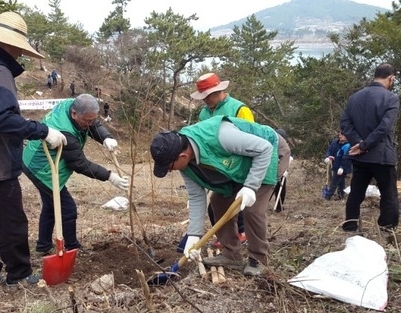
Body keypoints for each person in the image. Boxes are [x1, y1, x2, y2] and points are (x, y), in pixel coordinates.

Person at [0, 11, 67, 292]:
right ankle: (18, 273)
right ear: (10, 44)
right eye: (20, 47)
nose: (21, 53)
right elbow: (2, 118)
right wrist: (42, 131)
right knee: (11, 220)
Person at [151, 115, 285, 276]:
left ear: (182, 156)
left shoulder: (222, 136)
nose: (170, 170)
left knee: (252, 209)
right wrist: (194, 235)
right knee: (218, 201)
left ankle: (259, 258)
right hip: (240, 165)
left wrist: (250, 187)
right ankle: (231, 254)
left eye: (169, 167)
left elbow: (264, 148)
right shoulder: (185, 165)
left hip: (271, 152)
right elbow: (196, 196)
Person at [22, 94, 129, 255]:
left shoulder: (73, 105)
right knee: (68, 208)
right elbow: (80, 164)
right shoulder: (65, 132)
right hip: (40, 167)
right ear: (74, 114)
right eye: (86, 120)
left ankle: (43, 246)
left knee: (51, 205)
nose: (90, 123)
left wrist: (106, 137)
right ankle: (72, 247)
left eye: (92, 119)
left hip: (33, 160)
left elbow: (92, 123)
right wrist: (110, 176)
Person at [190, 72, 255, 238]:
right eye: (203, 97)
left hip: (239, 164)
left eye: (208, 96)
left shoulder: (239, 109)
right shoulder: (204, 114)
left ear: (218, 91)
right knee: (216, 204)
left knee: (236, 202)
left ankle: (241, 233)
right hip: (218, 165)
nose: (205, 100)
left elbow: (252, 139)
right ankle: (225, 237)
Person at [340, 63, 399, 233]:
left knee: (356, 192)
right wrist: (364, 144)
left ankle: (351, 224)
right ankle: (387, 229)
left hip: (361, 157)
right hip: (381, 155)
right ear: (391, 78)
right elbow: (385, 127)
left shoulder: (355, 97)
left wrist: (358, 143)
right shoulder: (391, 98)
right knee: (388, 194)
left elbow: (345, 123)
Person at [323, 131, 352, 200]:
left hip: (343, 167)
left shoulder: (349, 145)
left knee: (334, 182)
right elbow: (330, 150)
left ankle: (327, 197)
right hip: (335, 165)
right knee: (341, 182)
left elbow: (347, 157)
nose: (340, 135)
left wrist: (342, 167)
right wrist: (328, 156)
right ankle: (341, 196)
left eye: (343, 134)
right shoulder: (335, 142)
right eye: (340, 134)